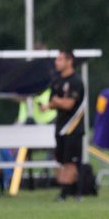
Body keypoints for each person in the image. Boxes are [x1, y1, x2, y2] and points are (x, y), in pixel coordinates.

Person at [41, 49, 86, 201]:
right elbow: (53, 102)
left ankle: (67, 193)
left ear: (69, 61)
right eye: (56, 59)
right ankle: (69, 190)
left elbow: (68, 104)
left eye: (60, 59)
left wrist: (56, 102)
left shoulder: (76, 81)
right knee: (60, 159)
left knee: (71, 161)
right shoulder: (56, 81)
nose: (56, 62)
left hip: (73, 127)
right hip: (60, 126)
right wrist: (53, 104)